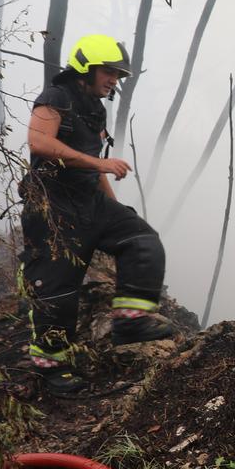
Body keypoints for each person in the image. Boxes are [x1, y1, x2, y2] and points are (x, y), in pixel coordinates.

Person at [20, 34, 172, 395]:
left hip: (91, 201)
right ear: (86, 68)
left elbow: (94, 169)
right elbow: (40, 143)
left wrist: (113, 204)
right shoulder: (55, 98)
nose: (114, 80)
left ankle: (130, 322)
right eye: (110, 72)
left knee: (143, 242)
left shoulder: (95, 108)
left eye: (119, 75)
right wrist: (99, 163)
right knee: (57, 294)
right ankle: (51, 369)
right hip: (53, 208)